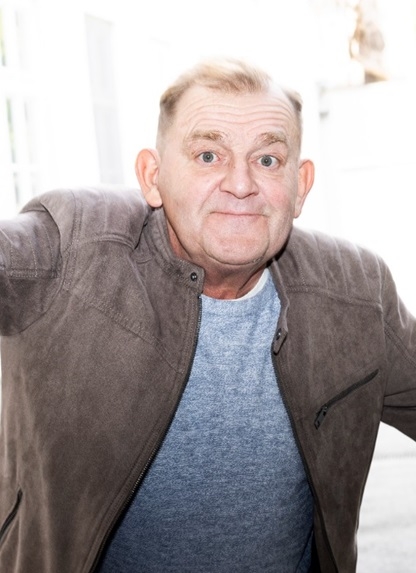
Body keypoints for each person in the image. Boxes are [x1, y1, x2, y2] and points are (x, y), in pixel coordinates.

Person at [0, 58, 415, 573]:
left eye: (267, 160)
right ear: (152, 177)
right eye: (208, 155)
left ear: (301, 185)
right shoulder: (69, 245)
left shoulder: (356, 289)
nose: (240, 184)